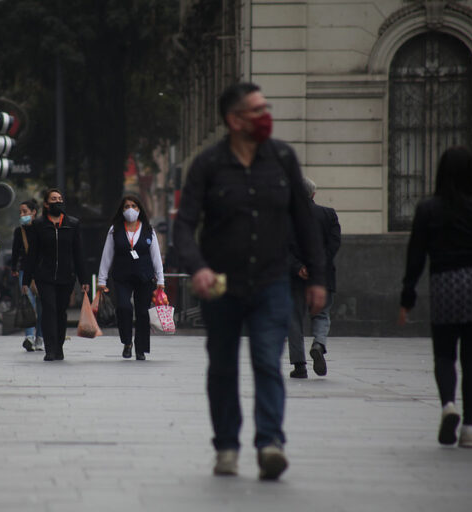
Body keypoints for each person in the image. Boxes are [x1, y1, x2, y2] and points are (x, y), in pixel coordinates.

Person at [173, 83, 326, 480]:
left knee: (267, 361)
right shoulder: (208, 165)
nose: (265, 115)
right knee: (222, 365)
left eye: (266, 107)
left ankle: (270, 444)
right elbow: (184, 226)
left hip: (272, 281)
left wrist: (317, 277)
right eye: (257, 110)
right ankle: (226, 446)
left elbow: (304, 221)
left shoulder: (283, 159)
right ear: (234, 120)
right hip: (221, 283)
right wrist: (199, 267)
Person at [398, 146, 472, 449]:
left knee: (444, 355)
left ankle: (448, 404)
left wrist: (407, 296)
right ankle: (470, 428)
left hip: (446, 284)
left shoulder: (428, 209)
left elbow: (416, 255)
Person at [22, 188, 89, 361]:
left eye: (60, 198)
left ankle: (59, 346)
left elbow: (79, 253)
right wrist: (27, 279)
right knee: (49, 309)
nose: (58, 201)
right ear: (46, 203)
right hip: (45, 276)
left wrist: (84, 279)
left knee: (61, 312)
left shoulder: (72, 224)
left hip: (66, 277)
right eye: (53, 199)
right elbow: (33, 254)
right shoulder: (38, 225)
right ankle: (50, 349)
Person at [97, 195, 165, 360]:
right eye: (126, 206)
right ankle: (127, 342)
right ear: (122, 210)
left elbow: (155, 255)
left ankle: (140, 348)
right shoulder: (115, 230)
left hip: (145, 276)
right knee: (124, 307)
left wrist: (161, 280)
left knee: (142, 312)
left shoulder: (149, 230)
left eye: (134, 206)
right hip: (122, 276)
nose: (130, 209)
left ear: (139, 209)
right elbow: (107, 255)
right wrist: (101, 280)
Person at [287, 177, 341, 378]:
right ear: (313, 194)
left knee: (294, 319)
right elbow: (334, 244)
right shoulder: (329, 215)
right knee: (322, 314)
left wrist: (298, 267)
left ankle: (299, 366)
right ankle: (318, 343)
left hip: (295, 278)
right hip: (323, 276)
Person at [10, 199, 44, 351]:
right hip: (24, 271)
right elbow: (15, 251)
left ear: (34, 212)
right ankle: (29, 337)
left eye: (25, 211)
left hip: (41, 273)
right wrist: (14, 268)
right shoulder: (20, 231)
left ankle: (40, 338)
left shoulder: (42, 228)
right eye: (20, 212)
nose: (22, 215)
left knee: (41, 306)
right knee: (28, 303)